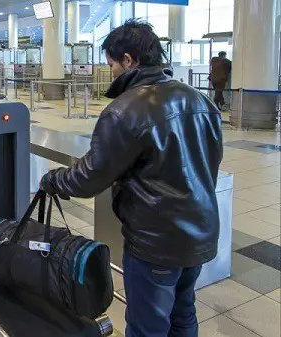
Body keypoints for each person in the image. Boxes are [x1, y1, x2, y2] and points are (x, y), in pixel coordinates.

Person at [39, 20, 223, 337]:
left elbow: (90, 177)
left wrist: (53, 179)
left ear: (128, 60)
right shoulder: (200, 101)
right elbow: (211, 161)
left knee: (146, 326)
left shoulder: (125, 110)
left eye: (111, 64)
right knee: (183, 314)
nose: (110, 71)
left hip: (156, 243)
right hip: (201, 232)